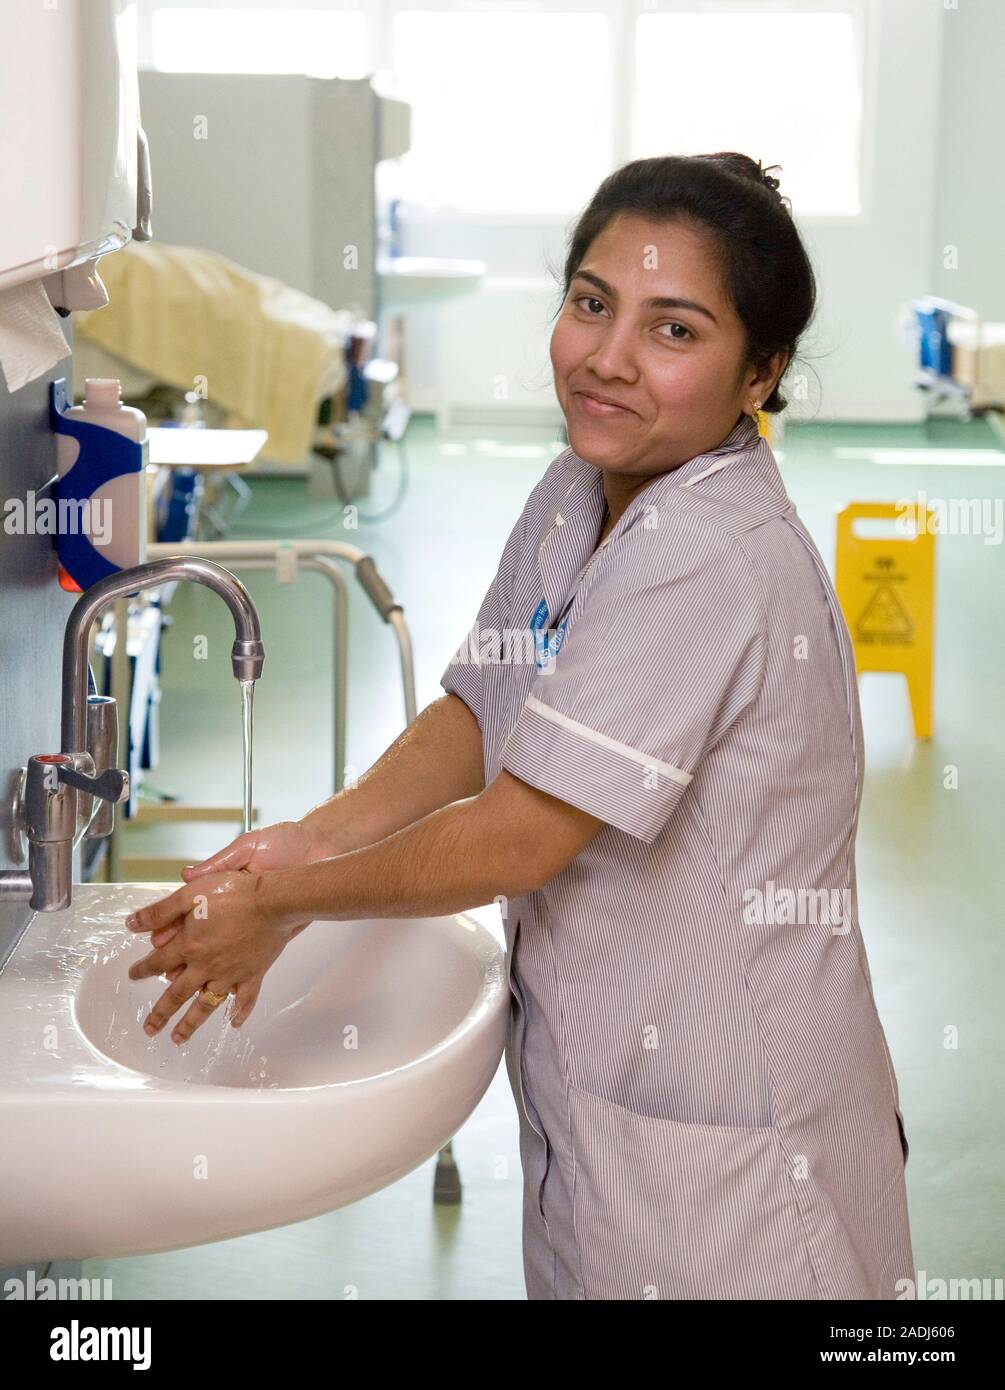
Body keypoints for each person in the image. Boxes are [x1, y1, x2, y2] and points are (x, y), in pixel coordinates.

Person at [125, 153, 914, 1301]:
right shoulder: (577, 488)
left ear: (763, 372)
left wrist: (283, 905)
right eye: (592, 304)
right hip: (610, 1125)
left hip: (741, 1169)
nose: (607, 357)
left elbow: (515, 838)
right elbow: (483, 707)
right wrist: (314, 837)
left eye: (674, 330)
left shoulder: (709, 554)